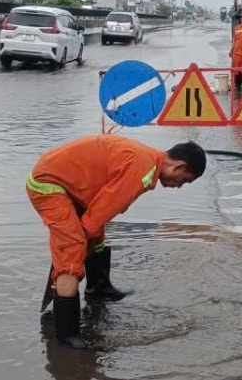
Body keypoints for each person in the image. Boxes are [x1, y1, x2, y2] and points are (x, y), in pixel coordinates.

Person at [26, 134, 207, 348]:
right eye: (184, 181)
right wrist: (73, 251)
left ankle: (98, 289)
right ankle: (67, 337)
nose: (179, 186)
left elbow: (100, 210)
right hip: (49, 185)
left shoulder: (147, 159)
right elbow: (100, 212)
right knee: (72, 252)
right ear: (179, 167)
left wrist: (90, 236)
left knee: (95, 234)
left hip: (70, 184)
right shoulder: (141, 170)